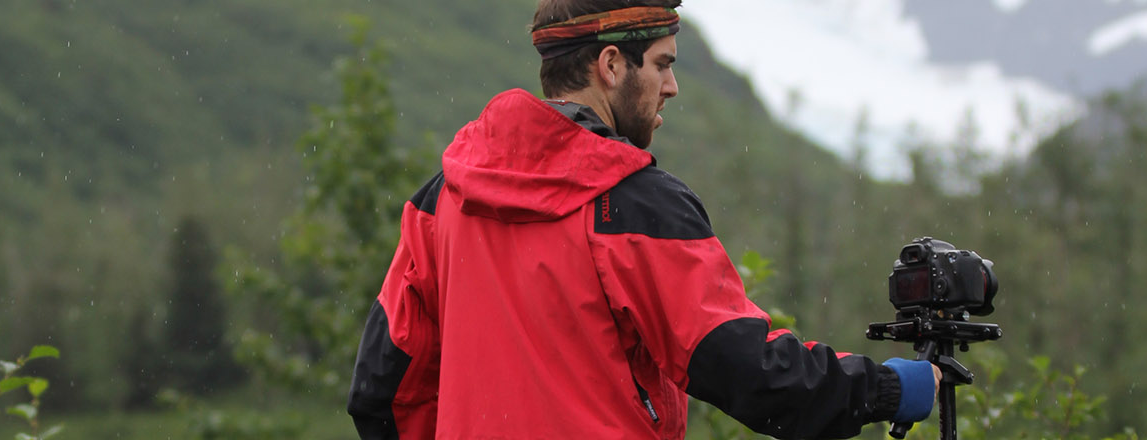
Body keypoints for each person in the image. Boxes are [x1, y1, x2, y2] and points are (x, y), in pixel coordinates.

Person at [347, 1, 940, 438]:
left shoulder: (440, 199)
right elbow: (746, 369)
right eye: (662, 64)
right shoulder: (636, 205)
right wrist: (885, 388)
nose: (672, 87)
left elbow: (382, 389)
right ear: (610, 64)